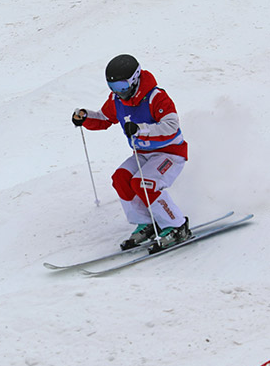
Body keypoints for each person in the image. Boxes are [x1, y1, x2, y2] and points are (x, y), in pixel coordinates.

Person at [72, 54, 191, 251]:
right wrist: (85, 118)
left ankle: (177, 226)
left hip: (170, 154)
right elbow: (105, 118)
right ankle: (147, 223)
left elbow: (171, 126)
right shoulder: (116, 99)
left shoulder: (156, 97)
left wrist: (141, 129)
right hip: (143, 154)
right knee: (121, 178)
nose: (119, 92)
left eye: (122, 86)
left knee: (144, 183)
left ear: (135, 79)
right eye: (113, 88)